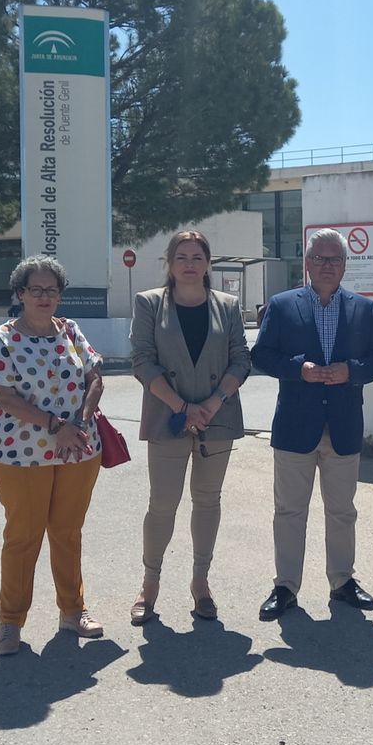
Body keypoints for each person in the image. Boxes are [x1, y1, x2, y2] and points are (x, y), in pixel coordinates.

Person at [250, 228, 373, 620]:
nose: (328, 266)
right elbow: (261, 355)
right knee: (289, 511)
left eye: (335, 259)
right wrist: (299, 369)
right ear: (307, 263)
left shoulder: (364, 308)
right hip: (296, 425)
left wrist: (353, 371)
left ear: (346, 265)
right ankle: (285, 586)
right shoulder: (281, 305)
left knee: (342, 511)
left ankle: (342, 582)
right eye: (320, 258)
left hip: (343, 425)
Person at [0, 255, 107, 656]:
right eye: (35, 290)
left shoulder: (70, 330)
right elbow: (5, 397)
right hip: (21, 455)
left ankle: (73, 611)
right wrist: (57, 427)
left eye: (51, 290)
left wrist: (82, 422)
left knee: (68, 534)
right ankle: (10, 623)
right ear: (19, 294)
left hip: (77, 451)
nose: (44, 297)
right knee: (22, 538)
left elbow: (94, 378)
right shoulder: (3, 338)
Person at [129, 230, 253, 624]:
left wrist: (212, 404)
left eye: (197, 257)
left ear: (208, 264)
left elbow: (240, 360)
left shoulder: (228, 306)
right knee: (162, 503)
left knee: (208, 500)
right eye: (181, 256)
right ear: (169, 262)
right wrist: (183, 406)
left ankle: (201, 582)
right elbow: (143, 362)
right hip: (168, 416)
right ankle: (150, 584)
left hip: (218, 418)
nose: (189, 264)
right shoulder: (149, 303)